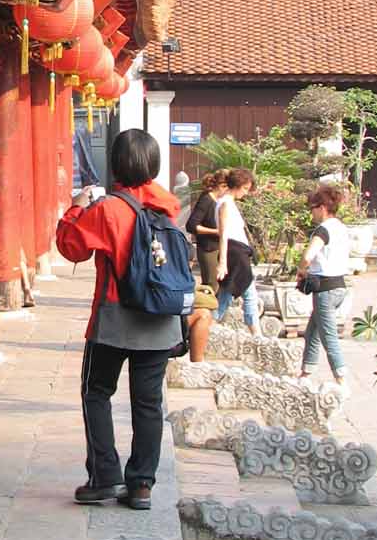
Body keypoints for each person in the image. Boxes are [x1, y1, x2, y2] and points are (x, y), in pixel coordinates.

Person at [55, 128, 183, 511]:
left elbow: (71, 247)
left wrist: (77, 206)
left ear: (116, 163)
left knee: (96, 393)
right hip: (160, 318)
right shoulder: (167, 205)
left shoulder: (109, 208)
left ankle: (105, 476)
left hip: (115, 317)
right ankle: (141, 485)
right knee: (148, 404)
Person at [297, 185, 351, 391]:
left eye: (312, 208)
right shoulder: (341, 227)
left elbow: (308, 255)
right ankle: (306, 372)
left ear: (322, 207)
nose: (311, 213)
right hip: (339, 285)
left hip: (325, 288)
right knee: (313, 331)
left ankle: (341, 378)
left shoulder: (323, 230)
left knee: (328, 335)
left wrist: (301, 270)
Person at [213, 167, 263, 336]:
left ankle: (209, 326)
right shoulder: (226, 204)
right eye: (245, 188)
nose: (246, 193)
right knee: (248, 295)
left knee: (226, 296)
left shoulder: (226, 202)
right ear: (238, 185)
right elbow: (224, 233)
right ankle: (256, 334)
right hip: (235, 253)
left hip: (236, 251)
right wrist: (222, 262)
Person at [186, 169, 228, 287]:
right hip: (208, 248)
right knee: (212, 285)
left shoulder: (221, 201)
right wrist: (216, 231)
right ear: (221, 185)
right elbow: (192, 225)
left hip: (219, 247)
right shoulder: (207, 199)